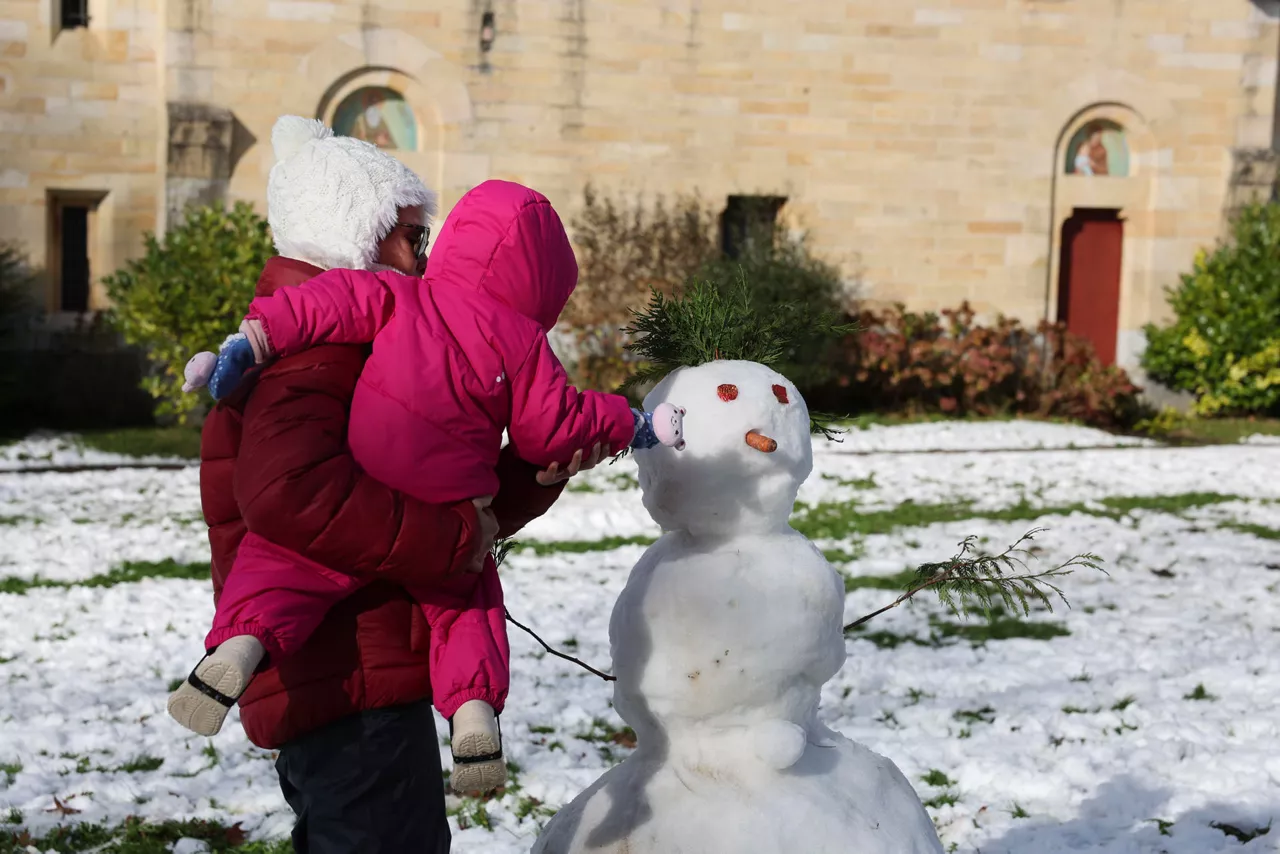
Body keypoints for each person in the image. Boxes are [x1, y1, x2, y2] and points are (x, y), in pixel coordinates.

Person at [173, 172, 686, 794]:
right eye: (413, 236)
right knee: (466, 604)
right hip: (369, 664)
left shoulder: (395, 298)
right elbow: (553, 426)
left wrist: (253, 338)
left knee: (283, 568)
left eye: (429, 240)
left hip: (380, 474)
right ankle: (474, 715)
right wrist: (630, 423)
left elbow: (323, 304)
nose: (421, 254)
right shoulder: (521, 343)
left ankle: (235, 650)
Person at [186, 115, 599, 853]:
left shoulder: (360, 340)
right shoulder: (316, 353)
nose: (423, 259)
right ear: (358, 234)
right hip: (346, 669)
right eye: (413, 236)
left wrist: (528, 478)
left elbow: (434, 489)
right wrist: (457, 536)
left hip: (356, 666)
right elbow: (291, 494)